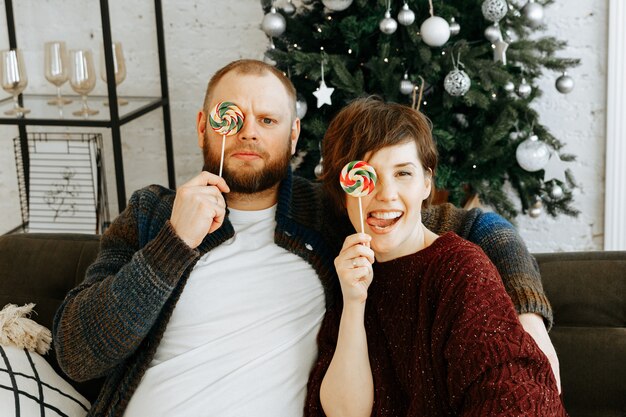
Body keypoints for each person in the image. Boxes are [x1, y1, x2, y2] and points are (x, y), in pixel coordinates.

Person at [52, 60, 557, 417]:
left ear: (292, 136)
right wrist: (171, 245)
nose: (248, 133)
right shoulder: (153, 212)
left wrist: (527, 315)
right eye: (233, 118)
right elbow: (76, 353)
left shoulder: (335, 209)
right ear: (205, 126)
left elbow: (477, 228)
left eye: (268, 120)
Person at [305, 97, 565, 416]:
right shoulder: (345, 273)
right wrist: (354, 303)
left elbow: (513, 394)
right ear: (344, 191)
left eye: (403, 174)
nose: (386, 194)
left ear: (427, 183)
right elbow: (346, 413)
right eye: (367, 177)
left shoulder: (460, 269)